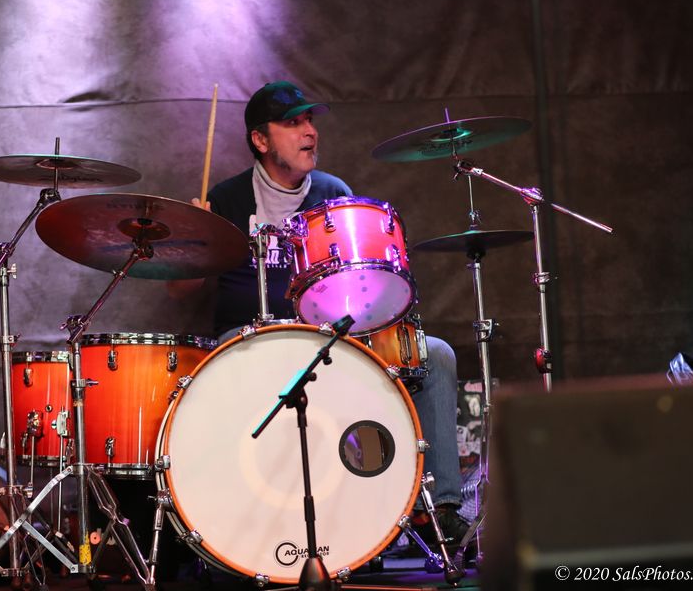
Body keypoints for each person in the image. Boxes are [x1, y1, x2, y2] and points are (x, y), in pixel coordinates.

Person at [169, 81, 469, 552]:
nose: (310, 131)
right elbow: (180, 290)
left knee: (436, 355)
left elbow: (357, 283)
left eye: (310, 121)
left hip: (328, 340)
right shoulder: (226, 199)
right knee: (226, 353)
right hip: (247, 341)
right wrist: (193, 241)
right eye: (293, 123)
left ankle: (439, 511)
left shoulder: (333, 193)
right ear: (260, 140)